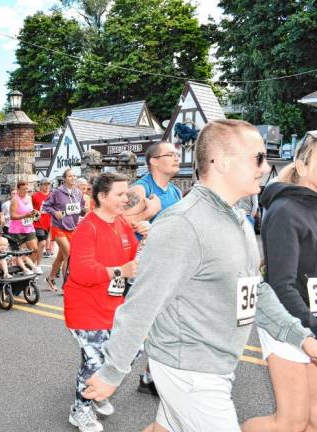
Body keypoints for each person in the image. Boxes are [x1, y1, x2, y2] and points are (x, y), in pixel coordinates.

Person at [82, 119, 317, 432]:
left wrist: (299, 337)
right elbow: (141, 305)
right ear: (221, 162)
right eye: (257, 158)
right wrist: (112, 372)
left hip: (215, 365)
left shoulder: (238, 220)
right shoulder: (184, 224)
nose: (265, 168)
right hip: (190, 370)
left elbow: (255, 291)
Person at [241, 131, 317, 432]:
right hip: (289, 323)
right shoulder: (286, 210)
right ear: (301, 163)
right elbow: (281, 284)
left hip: (311, 321)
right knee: (290, 422)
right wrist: (310, 330)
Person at [64, 173, 141, 432]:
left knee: (126, 351)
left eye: (126, 193)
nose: (126, 198)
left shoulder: (122, 223)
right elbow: (82, 272)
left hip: (113, 305)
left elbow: (134, 258)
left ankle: (98, 389)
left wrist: (147, 238)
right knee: (96, 361)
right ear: (101, 197)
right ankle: (80, 409)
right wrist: (121, 270)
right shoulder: (88, 227)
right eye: (120, 194)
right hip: (84, 308)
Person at [126, 141, 182, 396]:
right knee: (132, 329)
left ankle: (150, 376)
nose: (176, 157)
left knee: (168, 324)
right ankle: (98, 375)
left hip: (170, 265)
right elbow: (119, 221)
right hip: (143, 269)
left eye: (176, 153)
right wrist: (147, 214)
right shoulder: (141, 188)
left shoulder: (175, 192)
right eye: (169, 154)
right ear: (154, 161)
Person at [42, 169, 86, 292]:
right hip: (58, 227)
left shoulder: (78, 193)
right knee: (69, 255)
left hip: (72, 227)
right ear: (65, 179)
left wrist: (84, 210)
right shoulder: (57, 192)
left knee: (61, 257)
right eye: (70, 176)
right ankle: (67, 285)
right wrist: (55, 213)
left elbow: (81, 206)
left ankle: (50, 278)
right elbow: (46, 206)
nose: (73, 178)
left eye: (74, 176)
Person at [8, 181, 41, 274]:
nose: (25, 191)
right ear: (18, 189)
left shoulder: (29, 198)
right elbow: (12, 216)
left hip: (29, 228)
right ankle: (19, 269)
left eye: (27, 189)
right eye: (23, 189)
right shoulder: (15, 199)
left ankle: (30, 268)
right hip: (17, 230)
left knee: (34, 249)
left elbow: (30, 211)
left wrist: (35, 213)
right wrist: (25, 215)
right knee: (19, 253)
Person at [32, 179, 52, 267]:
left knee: (38, 246)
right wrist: (35, 213)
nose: (47, 186)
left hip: (48, 223)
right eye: (44, 184)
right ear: (40, 185)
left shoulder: (52, 195)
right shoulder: (35, 196)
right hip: (37, 223)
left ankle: (35, 263)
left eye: (48, 184)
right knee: (42, 243)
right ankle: (37, 264)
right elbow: (30, 209)